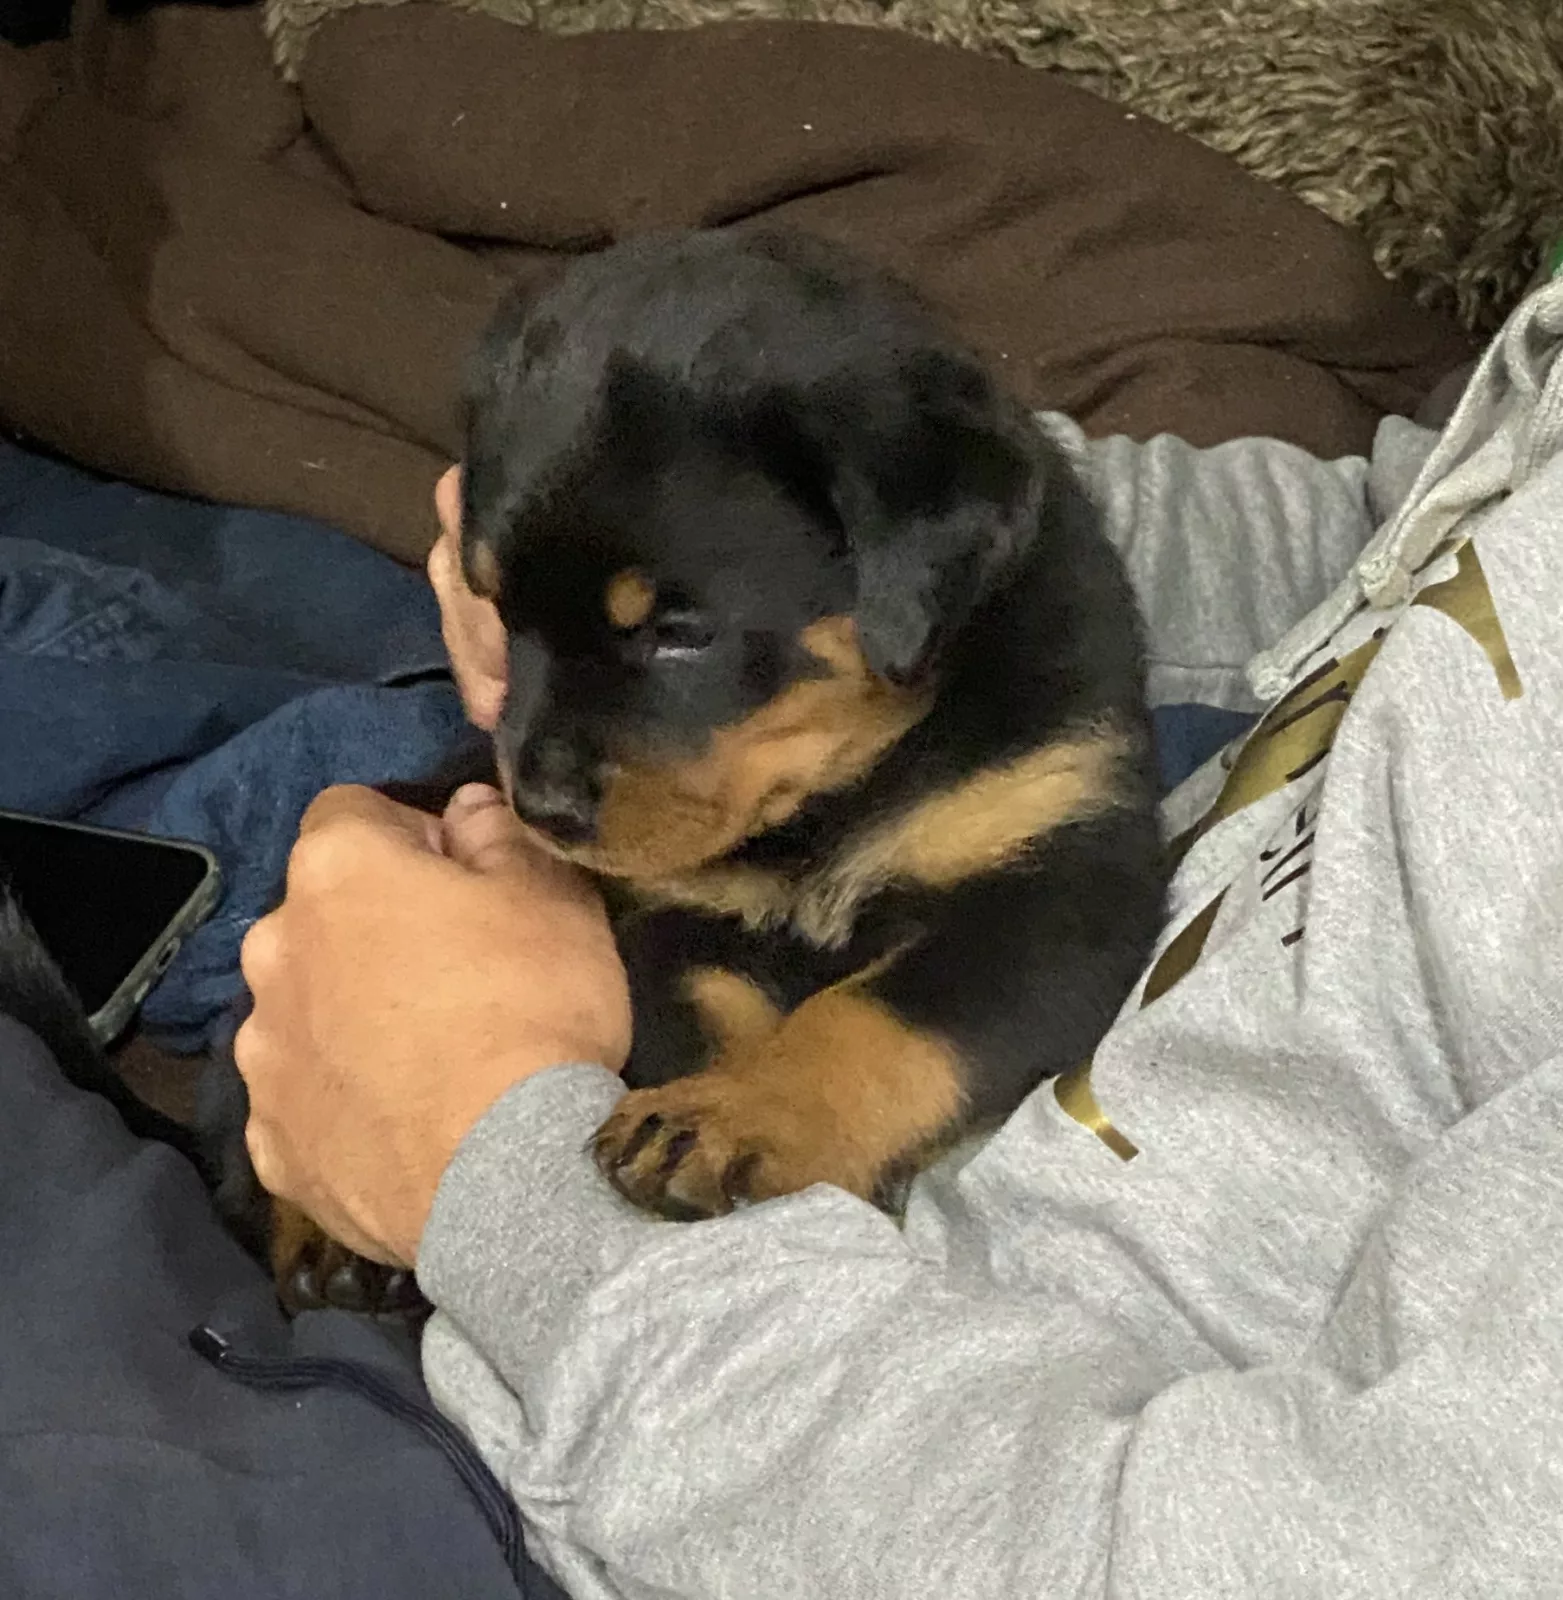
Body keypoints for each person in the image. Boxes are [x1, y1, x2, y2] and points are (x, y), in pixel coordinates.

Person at [8, 276, 1563, 1596]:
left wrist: (491, 1165)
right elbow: (1416, 535)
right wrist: (654, 504)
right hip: (610, 1196)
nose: (555, 777)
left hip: (722, 1449)